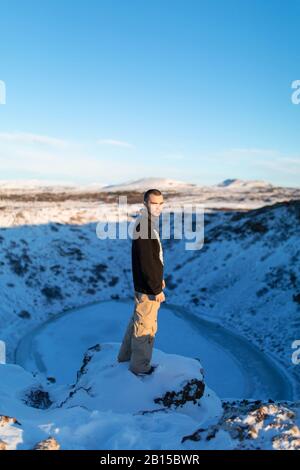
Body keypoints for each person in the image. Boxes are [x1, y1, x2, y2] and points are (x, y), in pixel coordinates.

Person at [117, 188, 165, 376]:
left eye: (161, 203)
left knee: (137, 321)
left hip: (147, 284)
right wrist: (155, 288)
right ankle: (139, 368)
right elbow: (146, 262)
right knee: (145, 326)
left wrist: (159, 279)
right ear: (145, 203)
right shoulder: (144, 225)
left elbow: (154, 257)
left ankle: (124, 357)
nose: (158, 207)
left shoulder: (147, 222)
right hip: (147, 288)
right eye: (154, 203)